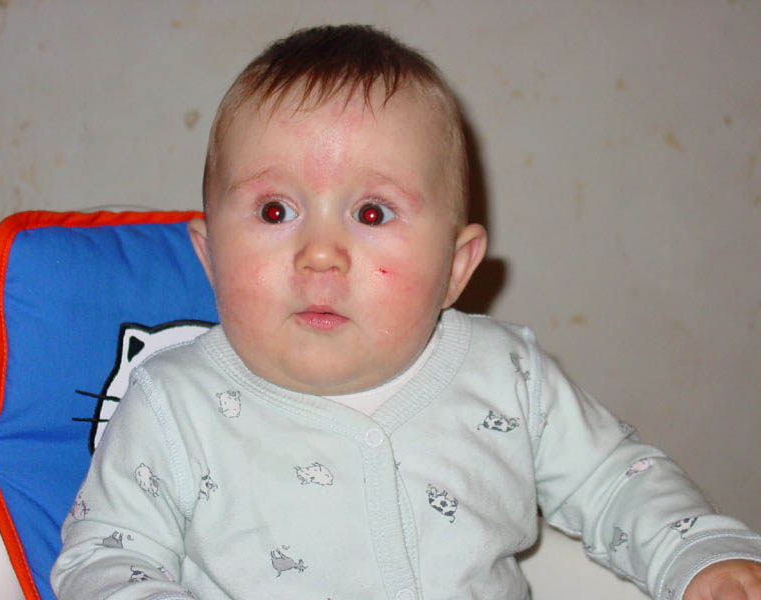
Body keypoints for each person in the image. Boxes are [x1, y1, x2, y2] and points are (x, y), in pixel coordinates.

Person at [51, 24, 761, 600]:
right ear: (208, 257)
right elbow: (105, 557)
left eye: (371, 212)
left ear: (455, 268)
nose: (319, 254)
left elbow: (613, 482)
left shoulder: (509, 376)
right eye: (275, 211)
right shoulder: (172, 403)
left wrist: (699, 555)